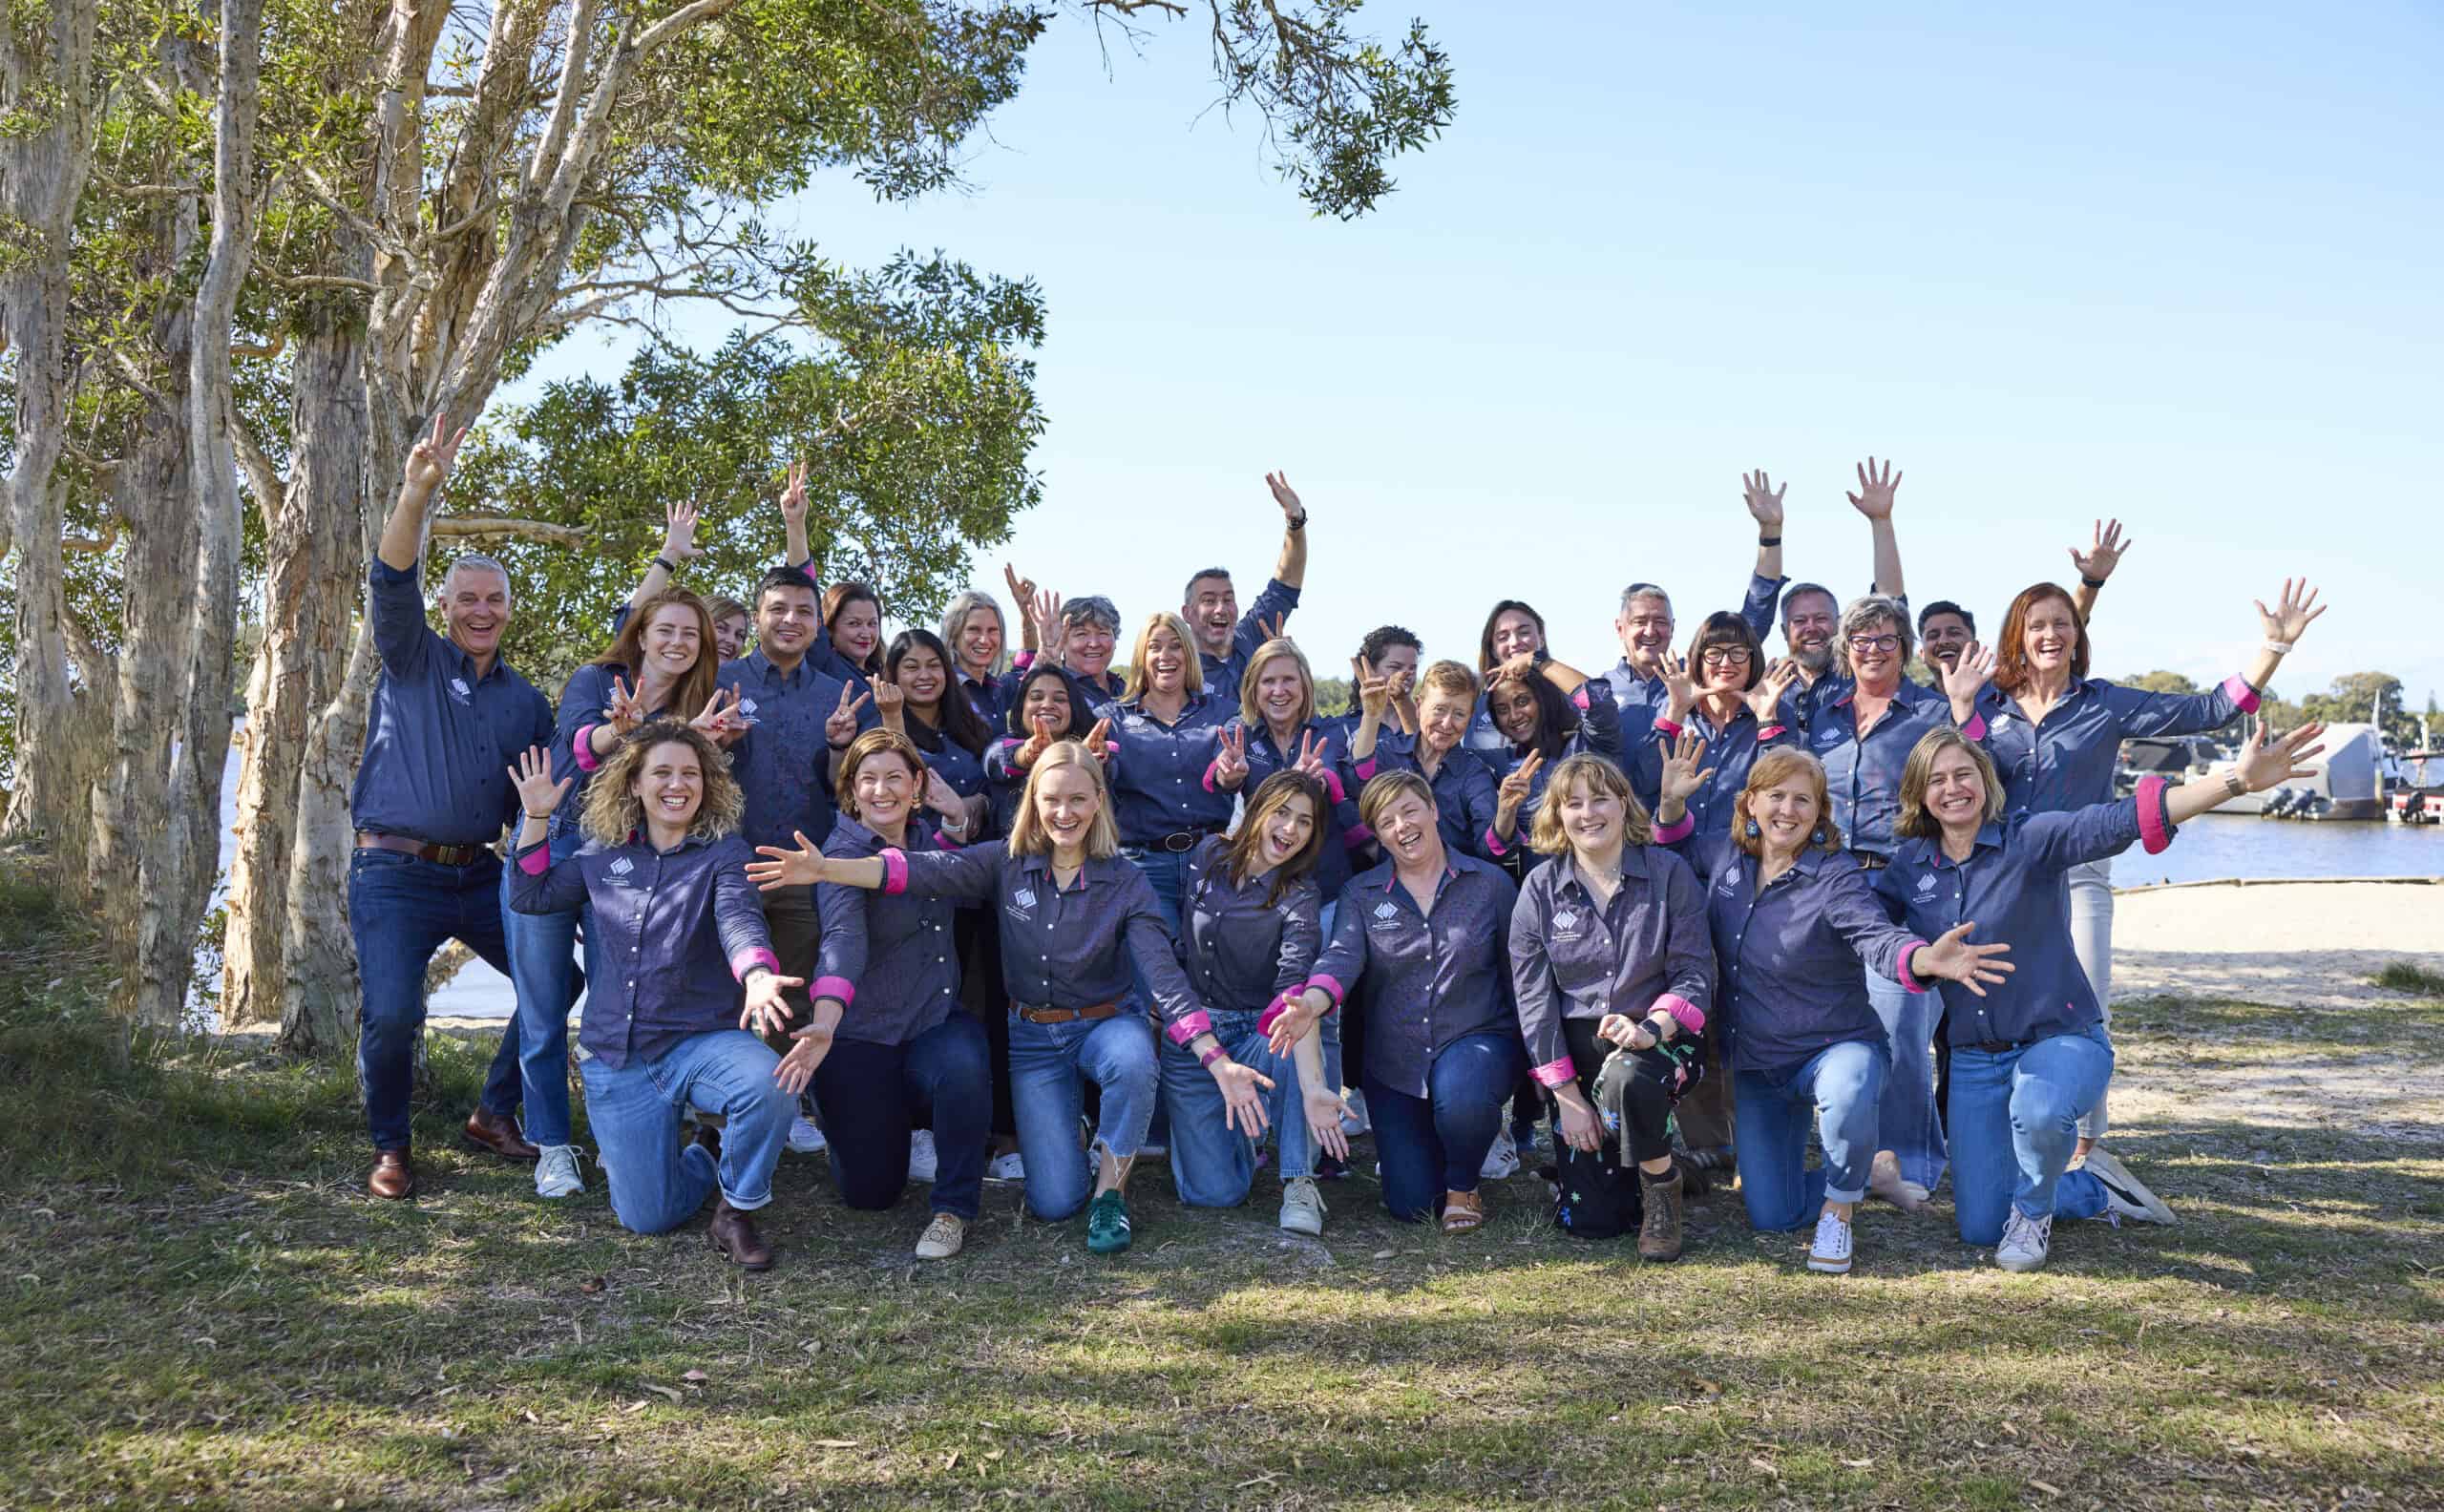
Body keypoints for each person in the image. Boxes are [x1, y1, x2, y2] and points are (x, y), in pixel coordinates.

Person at [748, 741, 1270, 1256]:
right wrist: (827, 869)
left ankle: (1112, 1193)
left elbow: (1163, 976)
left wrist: (1216, 1060)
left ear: (1098, 803)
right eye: (1051, 799)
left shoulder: (1127, 880)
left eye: (1078, 800)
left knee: (1133, 1057)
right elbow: (910, 870)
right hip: (1034, 1039)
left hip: (1106, 1025)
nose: (1064, 813)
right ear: (1034, 804)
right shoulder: (1005, 861)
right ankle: (1079, 1133)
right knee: (1054, 1201)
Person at [1875, 721, 2325, 1270]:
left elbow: (2120, 821)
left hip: (2060, 1039)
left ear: (1985, 780)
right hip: (1973, 1059)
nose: (1953, 789)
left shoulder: (2031, 838)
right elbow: (1867, 931)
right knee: (1979, 1226)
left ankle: (2036, 1211)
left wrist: (2232, 781)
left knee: (2037, 1112)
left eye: (1963, 774)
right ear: (1920, 794)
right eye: (1937, 779)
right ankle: (2093, 1189)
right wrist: (1917, 957)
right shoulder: (1909, 868)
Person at [1956, 576, 2326, 1156]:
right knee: (1994, 1002)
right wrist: (1961, 706)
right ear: (2017, 638)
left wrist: (2273, 650)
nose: (2050, 634)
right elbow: (1954, 775)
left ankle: (2086, 1144)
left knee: (2085, 1003)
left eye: (2061, 623)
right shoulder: (1986, 704)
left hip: (2079, 873)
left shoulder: (2105, 704)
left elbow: (2213, 710)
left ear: (2077, 634)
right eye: (2037, 625)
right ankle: (2002, 1130)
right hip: (1998, 879)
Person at [1653, 742, 2009, 1272]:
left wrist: (1924, 958)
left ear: (1820, 813)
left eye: (1804, 800)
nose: (1788, 811)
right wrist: (1671, 805)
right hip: (1757, 1062)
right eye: (1776, 796)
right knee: (1773, 1216)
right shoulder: (1723, 856)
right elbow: (1672, 851)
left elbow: (1876, 936)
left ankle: (1839, 1211)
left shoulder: (1835, 875)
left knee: (1848, 1092)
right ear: (1751, 803)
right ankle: (1874, 1173)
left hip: (1834, 1047)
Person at [348, 413, 556, 1201]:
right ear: (446, 605)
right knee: (394, 1015)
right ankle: (392, 1148)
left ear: (508, 609)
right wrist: (415, 494)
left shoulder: (526, 702)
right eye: (466, 597)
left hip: (480, 877)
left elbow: (543, 795)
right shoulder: (411, 658)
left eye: (493, 599)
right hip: (393, 873)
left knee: (555, 985)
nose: (480, 609)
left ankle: (493, 1112)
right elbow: (390, 577)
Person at [505, 724, 802, 1270]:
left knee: (769, 1080)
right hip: (619, 1056)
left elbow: (739, 920)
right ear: (635, 784)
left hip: (699, 1042)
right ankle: (703, 1155)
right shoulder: (600, 856)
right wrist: (538, 818)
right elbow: (529, 895)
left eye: (690, 773)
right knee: (648, 1218)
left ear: (707, 785)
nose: (677, 784)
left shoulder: (724, 855)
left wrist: (757, 973)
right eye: (662, 772)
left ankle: (736, 1209)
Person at [511, 587, 736, 1200]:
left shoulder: (699, 703)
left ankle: (634, 1138)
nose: (677, 643)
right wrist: (642, 732)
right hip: (554, 843)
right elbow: (582, 744)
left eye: (691, 634)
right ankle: (552, 1146)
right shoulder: (597, 680)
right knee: (544, 1008)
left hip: (631, 860)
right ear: (641, 634)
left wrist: (706, 742)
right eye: (666, 630)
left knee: (632, 998)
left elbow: (687, 783)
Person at [775, 729, 992, 1261]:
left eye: (895, 777)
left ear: (917, 784)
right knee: (870, 1194)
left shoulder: (930, 842)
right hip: (861, 1034)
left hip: (931, 1019)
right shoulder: (837, 856)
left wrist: (956, 815)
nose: (881, 791)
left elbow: (963, 869)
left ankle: (953, 1208)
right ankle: (867, 1125)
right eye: (867, 779)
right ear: (850, 788)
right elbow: (843, 942)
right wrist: (825, 1023)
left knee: (965, 1061)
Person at [1278, 770, 1526, 1232]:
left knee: (1463, 1098)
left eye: (1410, 810)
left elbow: (1520, 977)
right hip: (1396, 1059)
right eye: (1386, 820)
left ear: (1432, 811)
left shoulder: (1489, 885)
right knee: (1409, 1203)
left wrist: (1543, 1067)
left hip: (1476, 1037)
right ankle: (1448, 1143)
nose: (1402, 826)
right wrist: (1311, 1003)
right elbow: (1340, 960)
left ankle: (1463, 1182)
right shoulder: (1362, 893)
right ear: (1376, 833)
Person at [1506, 754, 1715, 1260]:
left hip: (1660, 1043)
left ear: (1624, 805)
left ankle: (1661, 1183)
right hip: (1577, 1058)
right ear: (1557, 815)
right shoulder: (1538, 888)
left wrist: (1653, 1028)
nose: (1587, 813)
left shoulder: (1670, 873)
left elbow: (1695, 972)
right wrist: (1569, 1101)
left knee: (1627, 1076)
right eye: (1572, 803)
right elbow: (1533, 1000)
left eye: (1600, 799)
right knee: (1594, 1224)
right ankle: (1663, 1159)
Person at [1807, 593, 1959, 1210]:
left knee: (1900, 1027)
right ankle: (1845, 1155)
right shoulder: (1822, 713)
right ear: (1847, 649)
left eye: (1886, 640)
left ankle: (1909, 1161)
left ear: (1904, 648)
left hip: (1902, 880)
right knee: (1828, 1021)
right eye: (1862, 641)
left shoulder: (1932, 711)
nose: (1873, 651)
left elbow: (1959, 787)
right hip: (1830, 879)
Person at [1165, 771, 1350, 1233]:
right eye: (1282, 813)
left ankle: (1298, 1181)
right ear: (1259, 809)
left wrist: (1312, 1087)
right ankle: (1239, 1140)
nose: (1290, 830)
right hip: (1198, 1039)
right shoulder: (1209, 855)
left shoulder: (1300, 894)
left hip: (1255, 1033)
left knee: (1292, 1047)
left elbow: (1292, 995)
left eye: (1304, 822)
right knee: (1212, 1194)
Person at [712, 558, 851, 1159]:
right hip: (726, 864)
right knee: (723, 994)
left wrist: (843, 747)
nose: (790, 620)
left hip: (803, 867)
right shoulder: (720, 677)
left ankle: (782, 1105)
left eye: (802, 611)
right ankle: (716, 1113)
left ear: (817, 624)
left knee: (790, 992)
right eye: (778, 609)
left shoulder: (838, 695)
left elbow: (853, 788)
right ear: (759, 614)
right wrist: (716, 742)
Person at [1738, 459, 1907, 733]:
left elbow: (1890, 608)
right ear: (1783, 630)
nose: (1811, 628)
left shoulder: (1860, 676)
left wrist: (1881, 522)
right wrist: (1770, 534)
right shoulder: (1766, 683)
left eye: (1821, 618)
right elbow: (1756, 611)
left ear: (1840, 624)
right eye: (1799, 621)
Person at [1094, 611, 1239, 928]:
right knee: (1158, 960)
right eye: (1155, 646)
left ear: (1188, 654)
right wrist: (1098, 763)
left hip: (1211, 860)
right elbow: (1104, 774)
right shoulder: (1110, 719)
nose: (1165, 655)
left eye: (1175, 646)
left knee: (1212, 963)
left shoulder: (1224, 712)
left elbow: (1223, 763)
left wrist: (1227, 772)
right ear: (1141, 657)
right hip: (1144, 866)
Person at [1650, 613, 1801, 853]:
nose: (1725, 663)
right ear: (1698, 660)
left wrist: (1766, 720)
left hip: (1742, 859)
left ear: (1753, 659)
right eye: (1714, 653)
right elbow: (1643, 781)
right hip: (1673, 856)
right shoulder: (1674, 707)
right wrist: (1676, 712)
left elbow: (1782, 791)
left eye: (1738, 652)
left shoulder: (1778, 712)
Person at [1349, 660, 1501, 863]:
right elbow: (1362, 774)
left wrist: (1506, 814)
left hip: (1457, 879)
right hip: (1394, 877)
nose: (1447, 723)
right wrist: (1371, 715)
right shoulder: (1391, 752)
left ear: (1470, 717)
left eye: (1459, 714)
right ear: (1419, 706)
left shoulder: (1474, 773)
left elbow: (1488, 848)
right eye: (1439, 709)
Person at [1181, 471, 1310, 694]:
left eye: (1228, 599)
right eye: (1209, 600)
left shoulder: (1252, 636)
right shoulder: (1177, 670)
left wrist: (1295, 522)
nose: (1220, 609)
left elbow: (1286, 584)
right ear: (1187, 613)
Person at [1599, 582, 1683, 808]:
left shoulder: (1693, 680)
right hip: (1619, 828)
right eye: (1639, 621)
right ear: (1620, 628)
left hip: (1683, 824)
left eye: (1660, 622)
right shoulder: (1600, 691)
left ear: (1673, 628)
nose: (1650, 631)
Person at [941, 586, 1010, 726]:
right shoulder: (941, 687)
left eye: (992, 630)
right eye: (974, 630)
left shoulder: (997, 689)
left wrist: (1027, 619)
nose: (984, 640)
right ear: (954, 633)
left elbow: (1024, 669)